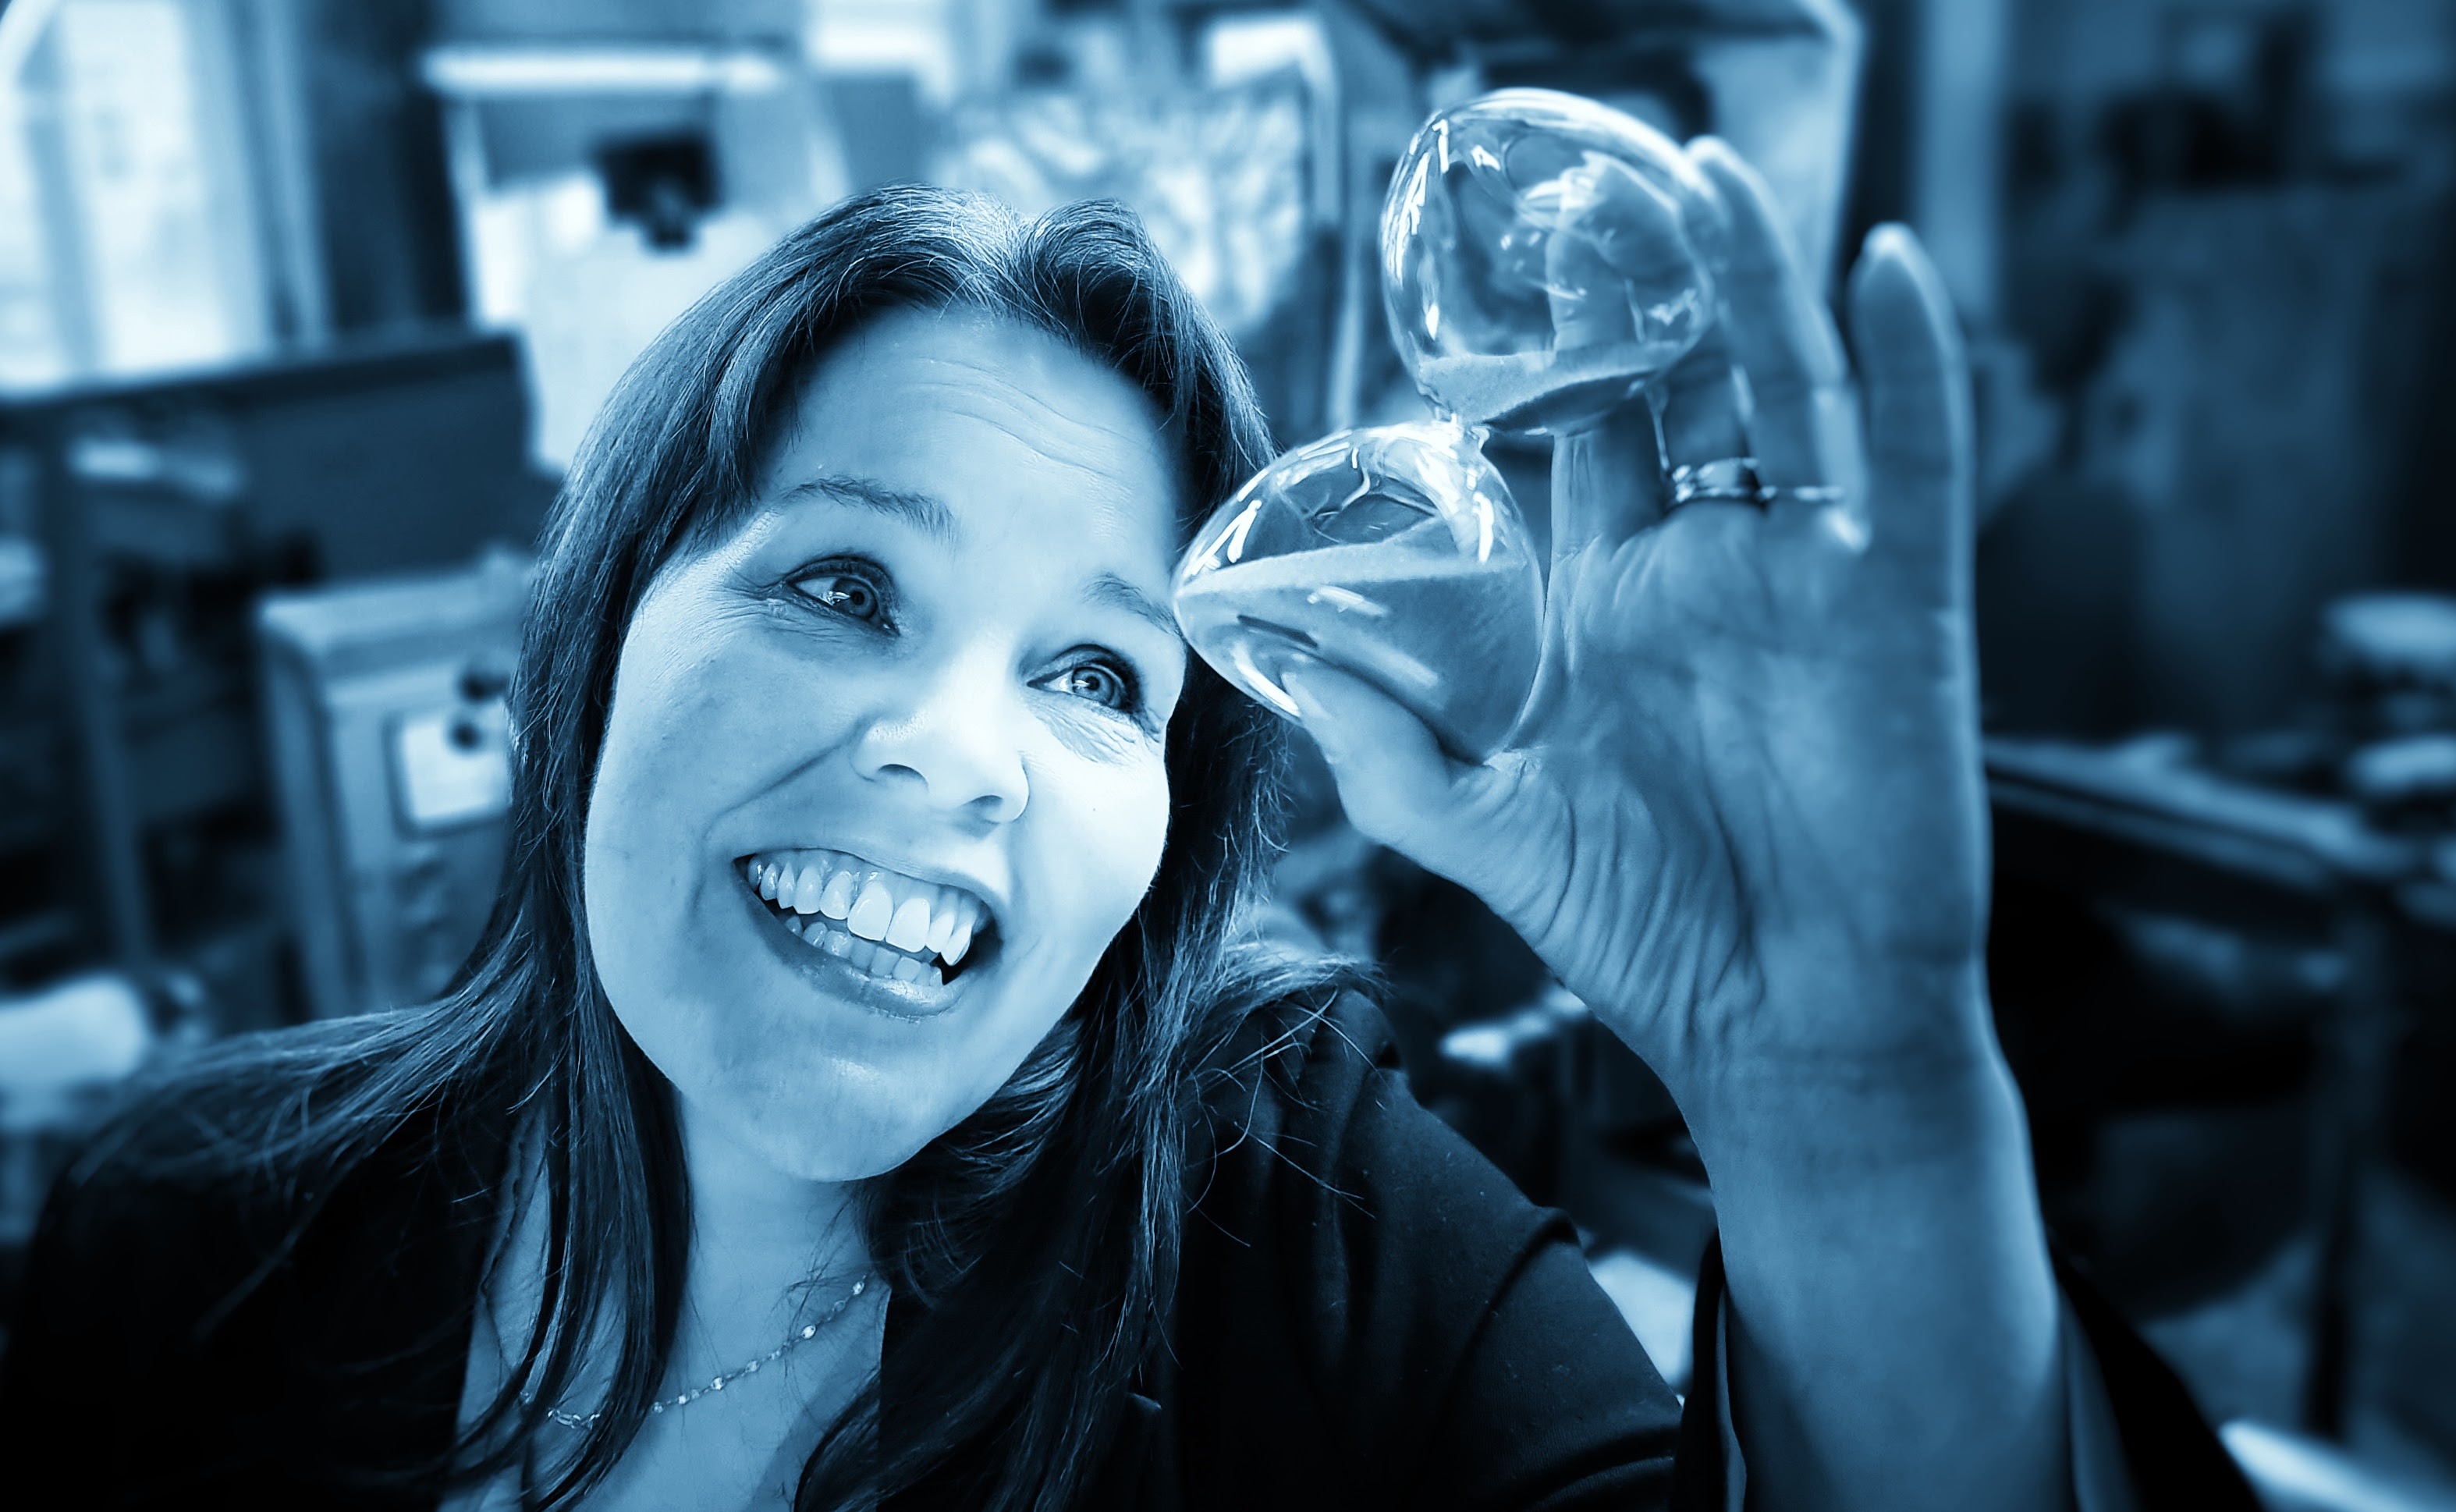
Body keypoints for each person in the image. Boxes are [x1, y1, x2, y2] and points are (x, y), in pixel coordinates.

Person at [0, 147, 2255, 1510]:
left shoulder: (1315, 1269)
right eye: (842, 583)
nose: (955, 750)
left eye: (1094, 675)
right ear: (592, 639)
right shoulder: (190, 1246)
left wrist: (1845, 1108)